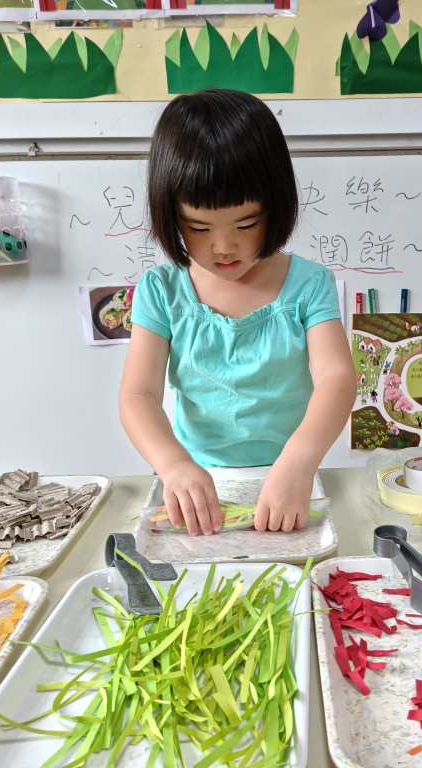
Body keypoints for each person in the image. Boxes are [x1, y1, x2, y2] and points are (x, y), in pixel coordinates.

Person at [119, 89, 356, 537]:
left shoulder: (308, 284)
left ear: (276, 206)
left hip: (289, 476)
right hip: (195, 481)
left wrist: (299, 462)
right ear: (170, 214)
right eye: (198, 227)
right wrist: (173, 465)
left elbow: (336, 378)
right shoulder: (162, 290)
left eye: (246, 224)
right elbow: (138, 395)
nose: (224, 247)